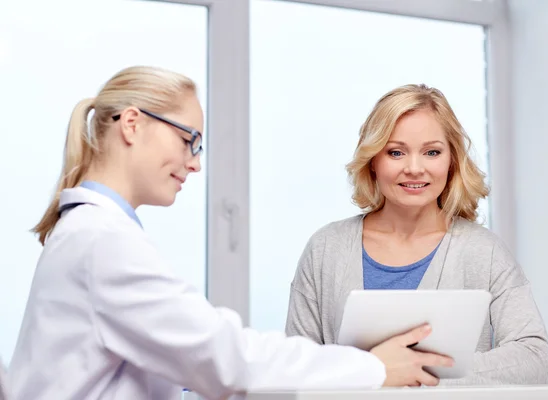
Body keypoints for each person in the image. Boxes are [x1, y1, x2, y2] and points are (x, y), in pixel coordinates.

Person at [7, 67, 455, 400]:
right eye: (189, 140)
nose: (195, 162)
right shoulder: (102, 242)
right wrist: (372, 368)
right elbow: (228, 358)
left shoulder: (91, 232)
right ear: (131, 124)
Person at [285, 84, 548, 386]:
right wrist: (373, 372)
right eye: (396, 152)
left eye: (432, 152)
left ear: (451, 160)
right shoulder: (326, 249)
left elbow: (534, 359)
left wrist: (417, 372)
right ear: (373, 161)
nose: (414, 168)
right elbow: (296, 371)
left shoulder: (483, 251)